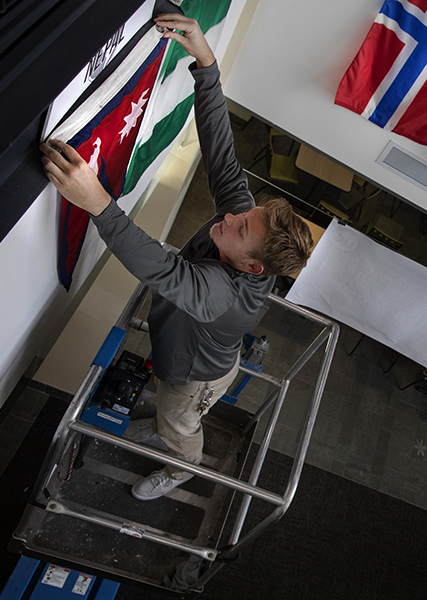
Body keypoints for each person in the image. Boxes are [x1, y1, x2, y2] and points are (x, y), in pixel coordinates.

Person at [40, 13, 314, 501]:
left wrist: (97, 201)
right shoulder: (247, 235)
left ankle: (183, 466)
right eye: (243, 214)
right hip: (192, 350)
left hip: (194, 377)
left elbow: (160, 266)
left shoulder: (221, 297)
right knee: (171, 410)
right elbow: (221, 155)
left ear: (253, 266)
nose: (231, 217)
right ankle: (169, 433)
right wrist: (206, 64)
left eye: (240, 228)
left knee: (179, 419)